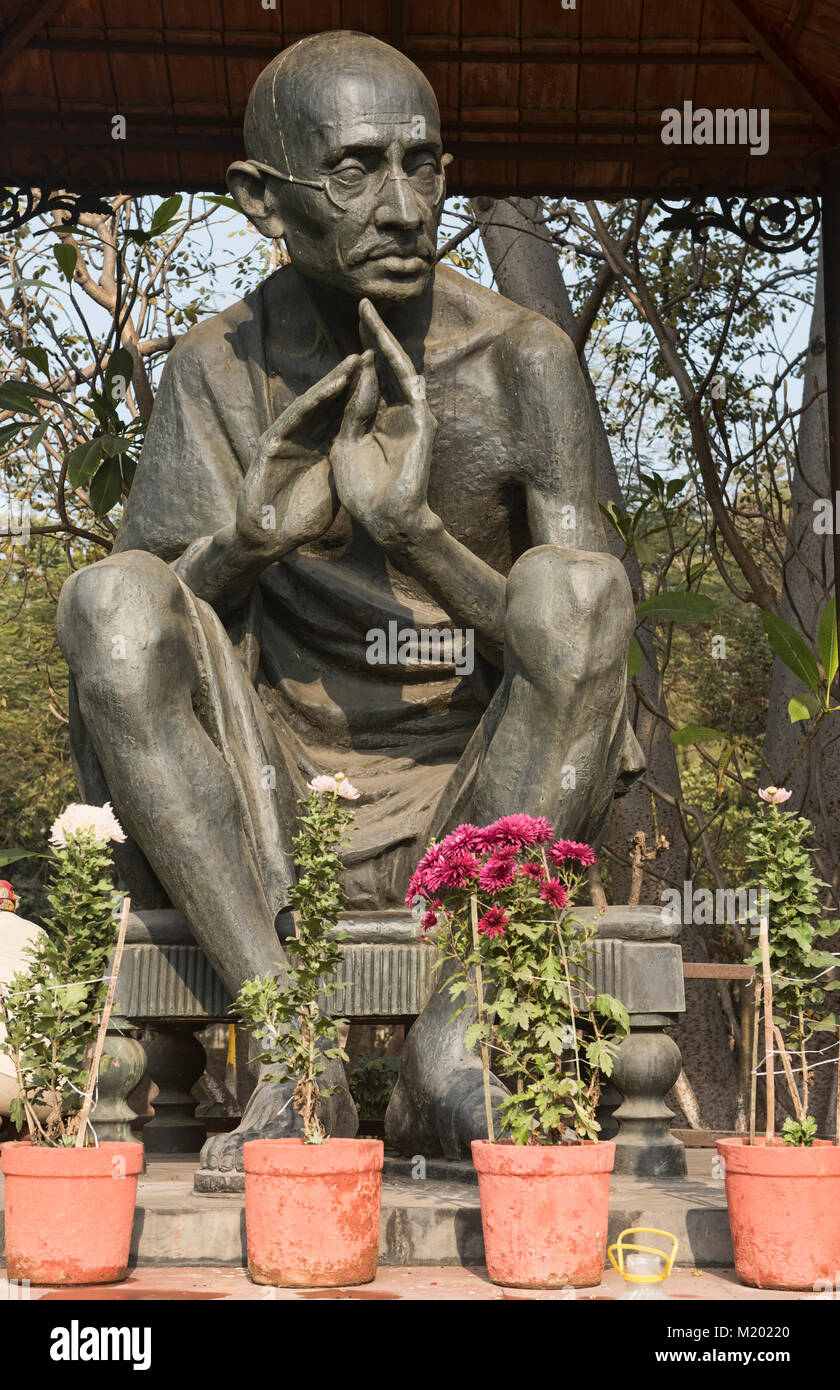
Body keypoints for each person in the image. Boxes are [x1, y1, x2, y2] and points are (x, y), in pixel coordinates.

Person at [58, 31, 642, 1169]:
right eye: (355, 167)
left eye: (422, 164)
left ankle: (450, 1047)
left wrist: (418, 535)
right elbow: (136, 645)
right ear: (260, 198)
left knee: (578, 586)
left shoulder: (524, 361)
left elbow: (587, 646)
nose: (401, 203)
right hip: (274, 794)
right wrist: (241, 545)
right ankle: (290, 1040)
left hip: (478, 799)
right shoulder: (214, 368)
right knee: (113, 600)